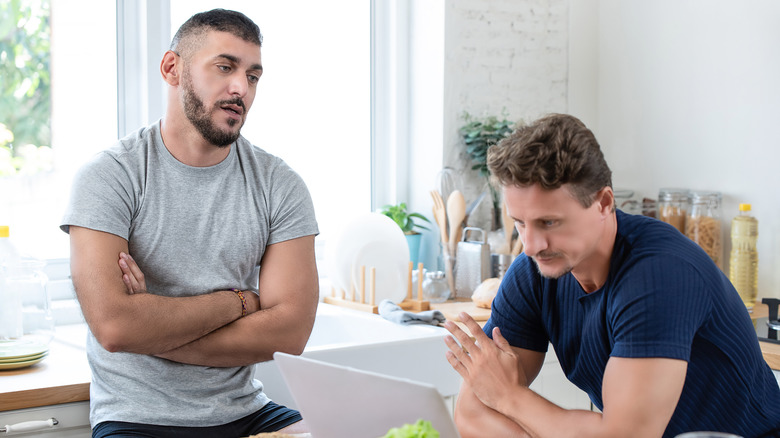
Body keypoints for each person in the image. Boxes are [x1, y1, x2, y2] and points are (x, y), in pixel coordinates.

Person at [60, 9, 319, 437]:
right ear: (172, 68)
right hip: (136, 420)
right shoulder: (110, 177)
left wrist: (152, 332)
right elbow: (115, 326)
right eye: (224, 67)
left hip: (246, 412)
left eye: (253, 76)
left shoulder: (280, 184)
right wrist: (239, 302)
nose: (241, 88)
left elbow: (289, 335)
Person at [443, 114, 780, 438]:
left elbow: (625, 436)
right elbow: (472, 415)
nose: (530, 245)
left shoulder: (658, 276)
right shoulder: (533, 274)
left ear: (603, 203)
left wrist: (509, 398)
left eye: (549, 222)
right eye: (520, 222)